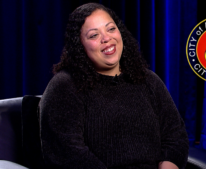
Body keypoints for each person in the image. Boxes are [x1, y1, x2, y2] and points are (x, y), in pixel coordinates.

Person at [39, 3, 189, 169]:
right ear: (80, 46)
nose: (106, 38)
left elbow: (175, 136)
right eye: (94, 35)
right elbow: (67, 153)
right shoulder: (64, 86)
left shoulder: (148, 80)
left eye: (111, 29)